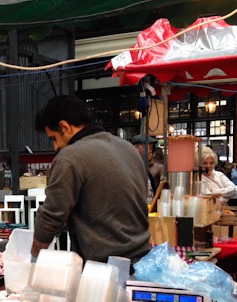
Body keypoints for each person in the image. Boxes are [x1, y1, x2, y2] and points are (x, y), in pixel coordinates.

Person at [32, 95, 150, 263]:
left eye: (53, 138)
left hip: (104, 269)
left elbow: (52, 216)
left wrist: (34, 258)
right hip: (142, 259)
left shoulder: (69, 157)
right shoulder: (127, 148)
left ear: (65, 126)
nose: (55, 147)